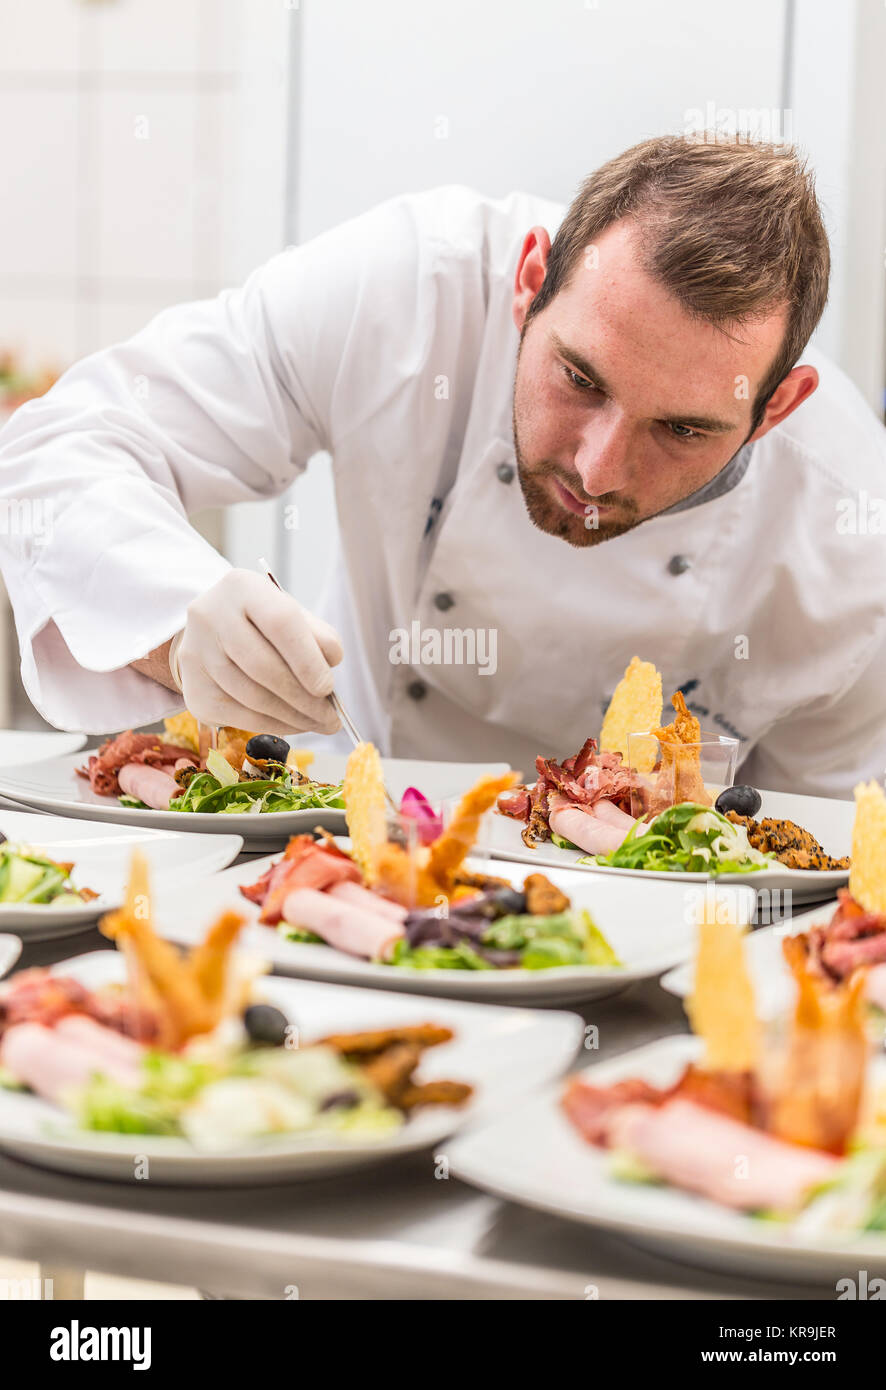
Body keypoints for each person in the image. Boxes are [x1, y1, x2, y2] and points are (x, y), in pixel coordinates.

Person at [1, 134, 884, 796]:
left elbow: (825, 867)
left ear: (777, 407)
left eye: (681, 430)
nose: (599, 467)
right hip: (354, 839)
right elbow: (64, 439)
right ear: (529, 282)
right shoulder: (407, 290)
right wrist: (175, 620)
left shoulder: (854, 542)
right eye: (579, 378)